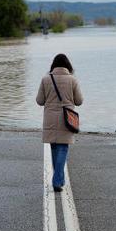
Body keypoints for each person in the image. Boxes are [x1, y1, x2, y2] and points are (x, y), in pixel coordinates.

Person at [36, 53, 83, 192]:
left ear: (53, 65)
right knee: (63, 148)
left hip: (50, 118)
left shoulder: (46, 79)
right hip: (66, 118)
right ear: (68, 66)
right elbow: (79, 101)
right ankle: (57, 180)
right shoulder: (73, 80)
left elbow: (39, 101)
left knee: (55, 148)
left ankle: (58, 179)